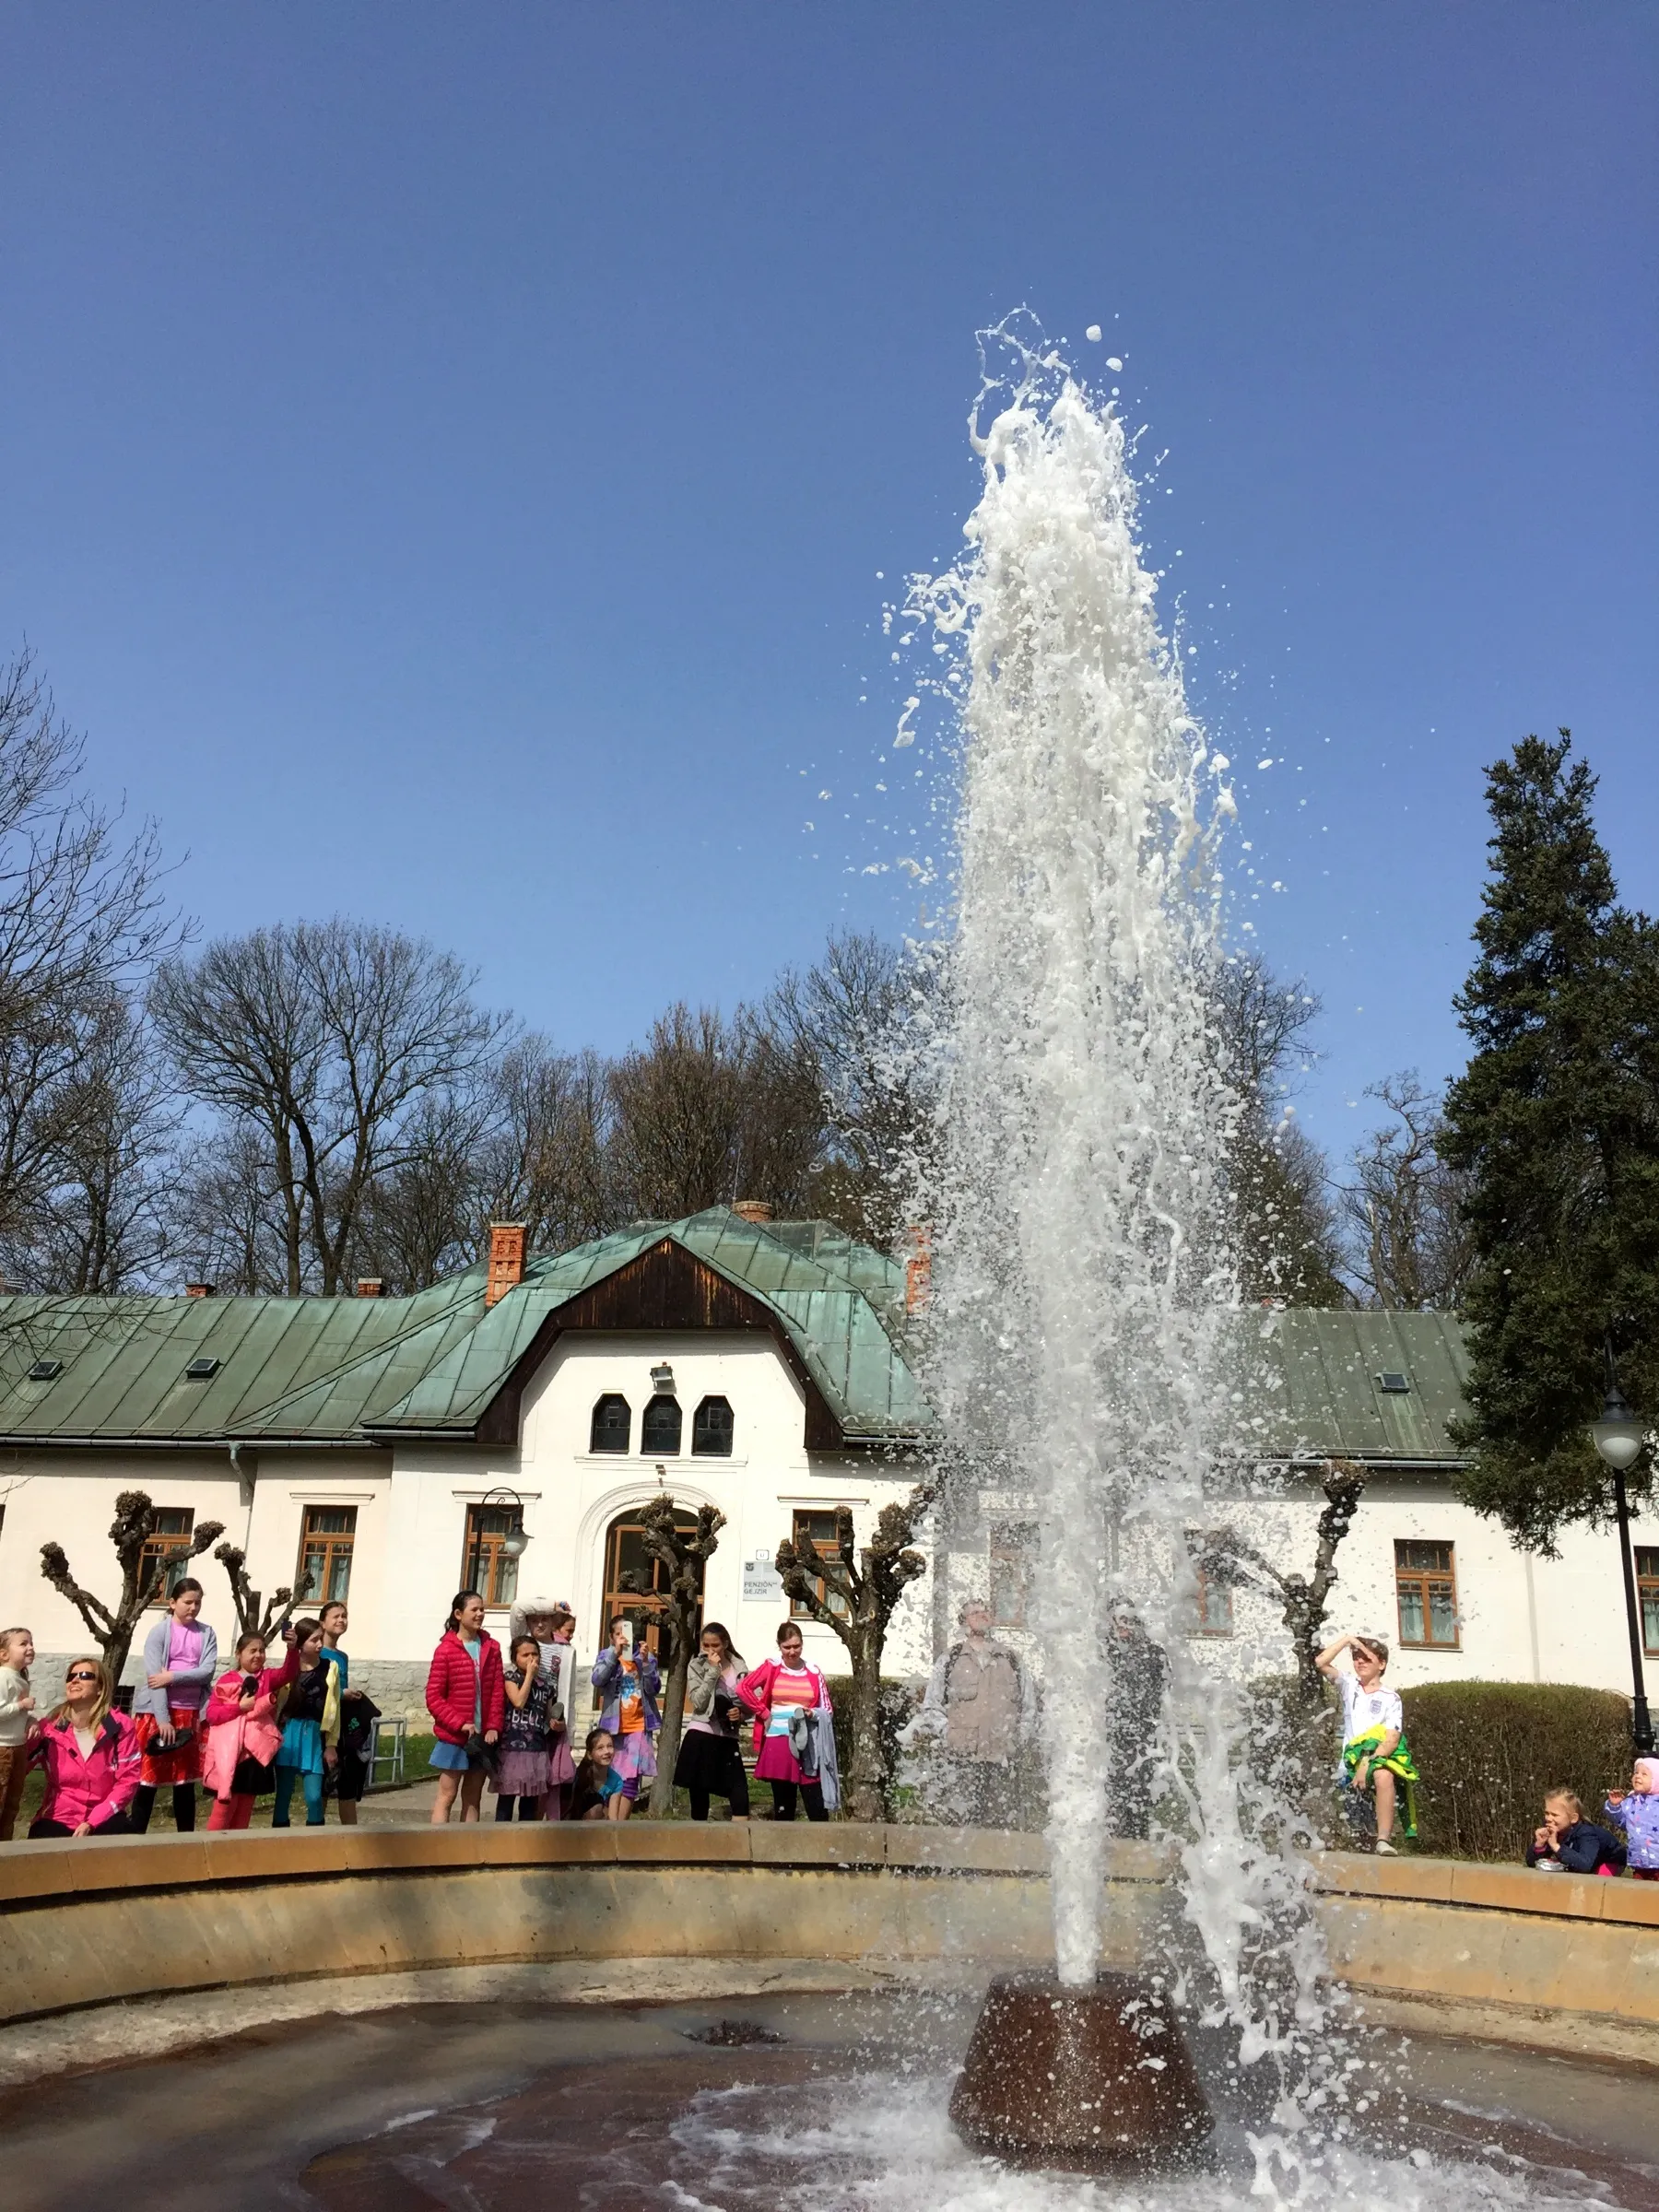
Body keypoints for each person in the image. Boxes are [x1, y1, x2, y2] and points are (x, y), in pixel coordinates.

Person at [915, 1601, 1035, 1828]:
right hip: (962, 1762)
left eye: (986, 1611)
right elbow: (931, 1705)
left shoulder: (1012, 1659)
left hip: (1002, 1760)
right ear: (964, 1621)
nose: (982, 1615)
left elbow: (1029, 1708)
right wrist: (949, 1735)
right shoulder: (950, 1659)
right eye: (975, 1612)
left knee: (1002, 1827)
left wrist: (1018, 1740)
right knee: (961, 1826)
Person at [1314, 1631, 1418, 1853]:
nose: (1359, 1661)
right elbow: (1320, 1662)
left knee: (1384, 1775)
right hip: (1348, 1764)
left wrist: (1367, 1763)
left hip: (1375, 1759)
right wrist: (1348, 1640)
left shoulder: (1391, 1698)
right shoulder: (1349, 1685)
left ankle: (1384, 1840)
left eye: (1366, 1657)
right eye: (1356, 1657)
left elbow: (1391, 1738)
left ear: (1381, 1664)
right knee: (1356, 1827)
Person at [130, 1578, 219, 1834]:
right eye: (187, 1602)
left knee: (185, 1782)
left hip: (190, 1712)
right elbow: (154, 1678)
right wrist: (162, 1719)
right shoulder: (159, 1632)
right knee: (148, 1782)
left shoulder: (206, 1633)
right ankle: (134, 1839)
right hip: (159, 1713)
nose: (193, 1608)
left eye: (198, 1603)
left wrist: (173, 1676)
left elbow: (206, 1672)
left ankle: (186, 1840)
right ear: (172, 1603)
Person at [27, 1655, 140, 1838]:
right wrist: (22, 1722)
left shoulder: (120, 1727)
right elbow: (16, 1765)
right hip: (58, 1816)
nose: (75, 1680)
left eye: (85, 1675)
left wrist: (92, 1822)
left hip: (106, 1817)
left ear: (100, 1688)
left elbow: (128, 1781)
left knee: (124, 1843)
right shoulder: (48, 1729)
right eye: (71, 1677)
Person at [739, 1621, 838, 1821]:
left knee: (816, 1806)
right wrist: (764, 1713)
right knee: (784, 1806)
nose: (792, 1652)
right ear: (779, 1646)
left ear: (802, 1644)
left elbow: (827, 1708)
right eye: (787, 1647)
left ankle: (821, 1848)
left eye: (796, 1646)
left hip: (807, 1743)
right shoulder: (772, 1666)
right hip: (779, 1741)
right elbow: (743, 1688)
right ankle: (783, 1848)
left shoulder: (813, 1671)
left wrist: (812, 1713)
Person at [426, 1590, 504, 1824]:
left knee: (472, 1798)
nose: (480, 1614)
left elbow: (497, 1691)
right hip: (454, 1738)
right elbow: (433, 1697)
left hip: (481, 1738)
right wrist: (458, 1723)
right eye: (474, 1610)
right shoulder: (446, 1650)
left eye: (482, 1609)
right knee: (447, 1795)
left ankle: (469, 1849)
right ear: (458, 1614)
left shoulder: (492, 1647)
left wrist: (493, 1726)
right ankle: (438, 1849)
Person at [202, 1631, 289, 1830]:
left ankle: (236, 1853)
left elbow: (288, 1673)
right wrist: (239, 1708)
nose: (258, 1655)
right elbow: (213, 1715)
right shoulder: (227, 1679)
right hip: (231, 1755)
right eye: (253, 1651)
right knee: (223, 1809)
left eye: (262, 1650)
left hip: (254, 1755)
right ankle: (210, 1850)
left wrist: (291, 1649)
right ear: (238, 1654)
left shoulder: (267, 1677)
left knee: (245, 1809)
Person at [508, 1596, 577, 1818]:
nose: (539, 1624)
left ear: (553, 1622)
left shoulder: (564, 1651)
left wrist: (566, 1724)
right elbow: (518, 1607)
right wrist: (553, 1606)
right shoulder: (524, 1643)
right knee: (516, 1787)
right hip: (520, 1725)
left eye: (545, 1619)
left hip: (549, 1724)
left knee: (545, 1784)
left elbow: (567, 1690)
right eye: (535, 1619)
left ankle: (538, 1834)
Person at [675, 1622, 750, 1821]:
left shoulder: (739, 1667)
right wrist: (712, 1672)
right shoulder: (696, 1665)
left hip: (727, 1736)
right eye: (705, 1645)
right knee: (699, 1799)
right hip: (701, 1733)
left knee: (740, 1797)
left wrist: (741, 1714)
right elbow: (698, 1702)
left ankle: (737, 1847)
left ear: (725, 1643)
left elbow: (751, 1702)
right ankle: (697, 1846)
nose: (710, 1650)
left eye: (715, 1645)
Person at [1105, 1606, 1168, 1842]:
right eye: (1118, 1620)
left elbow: (1164, 1690)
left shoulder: (1154, 1654)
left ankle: (1138, 1841)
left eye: (1128, 1620)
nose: (1123, 1625)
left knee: (1141, 1789)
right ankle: (1114, 1842)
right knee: (1111, 1790)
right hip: (1110, 1734)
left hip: (1143, 1734)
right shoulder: (1103, 1652)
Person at [590, 1616, 661, 1820]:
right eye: (618, 1634)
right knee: (610, 1777)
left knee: (630, 1779)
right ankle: (608, 1825)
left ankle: (620, 1828)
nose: (623, 1638)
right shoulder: (606, 1655)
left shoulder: (644, 1658)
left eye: (627, 1633)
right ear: (612, 1637)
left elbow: (653, 1689)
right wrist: (615, 1655)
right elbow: (597, 1679)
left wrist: (646, 1663)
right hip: (613, 1728)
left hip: (638, 1726)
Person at [272, 1616, 340, 1828]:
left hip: (314, 1735)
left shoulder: (331, 1667)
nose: (320, 1644)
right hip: (288, 1733)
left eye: (321, 1639)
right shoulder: (289, 1670)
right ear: (300, 1643)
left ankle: (317, 1841)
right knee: (283, 1794)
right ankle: (279, 1841)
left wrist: (331, 1744)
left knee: (313, 1796)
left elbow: (334, 1708)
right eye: (314, 1640)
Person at [318, 1600, 376, 1825]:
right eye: (336, 1616)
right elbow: (320, 1690)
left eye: (345, 1616)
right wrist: (342, 1694)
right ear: (323, 1622)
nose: (342, 1620)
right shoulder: (317, 1653)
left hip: (343, 1724)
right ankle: (316, 1831)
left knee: (347, 1782)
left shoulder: (342, 1656)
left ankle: (352, 1835)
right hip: (324, 1725)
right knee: (323, 1781)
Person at [493, 1633, 556, 1819]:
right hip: (512, 1747)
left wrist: (555, 1722)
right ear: (514, 1658)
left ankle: (525, 1841)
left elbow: (549, 1715)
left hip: (535, 1748)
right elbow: (518, 1701)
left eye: (535, 1654)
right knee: (507, 1799)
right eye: (525, 1655)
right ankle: (500, 1839)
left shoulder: (546, 1686)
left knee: (530, 1803)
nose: (531, 1659)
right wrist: (529, 1675)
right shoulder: (511, 1677)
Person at [1526, 1786, 1625, 1874]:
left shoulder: (1586, 1833)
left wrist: (1556, 1846)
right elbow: (1532, 1863)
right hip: (1585, 1859)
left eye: (1555, 1815)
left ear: (1573, 1818)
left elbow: (1585, 1865)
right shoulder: (1554, 1829)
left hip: (1609, 1860)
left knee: (1593, 1882)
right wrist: (1539, 1846)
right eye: (1547, 1813)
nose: (1548, 1818)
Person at [0, 1626, 36, 1842]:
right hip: (2, 1748)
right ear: (3, 1654)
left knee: (11, 1804)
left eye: (31, 1643)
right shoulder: (3, 1678)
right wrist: (21, 1706)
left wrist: (30, 1719)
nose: (30, 1647)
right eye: (23, 1643)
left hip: (18, 1748)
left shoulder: (19, 1678)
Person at [1602, 1759, 1659, 1878]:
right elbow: (1620, 1821)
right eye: (1636, 1773)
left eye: (1644, 1774)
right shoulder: (1631, 1802)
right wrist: (1615, 1806)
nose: (1638, 1776)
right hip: (1639, 1861)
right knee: (1638, 1894)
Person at [569, 1727, 619, 1821]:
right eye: (600, 1748)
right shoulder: (580, 1777)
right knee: (597, 1808)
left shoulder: (616, 1780)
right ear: (590, 1755)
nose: (607, 1751)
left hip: (599, 1826)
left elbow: (613, 1818)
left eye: (610, 1746)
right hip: (574, 1824)